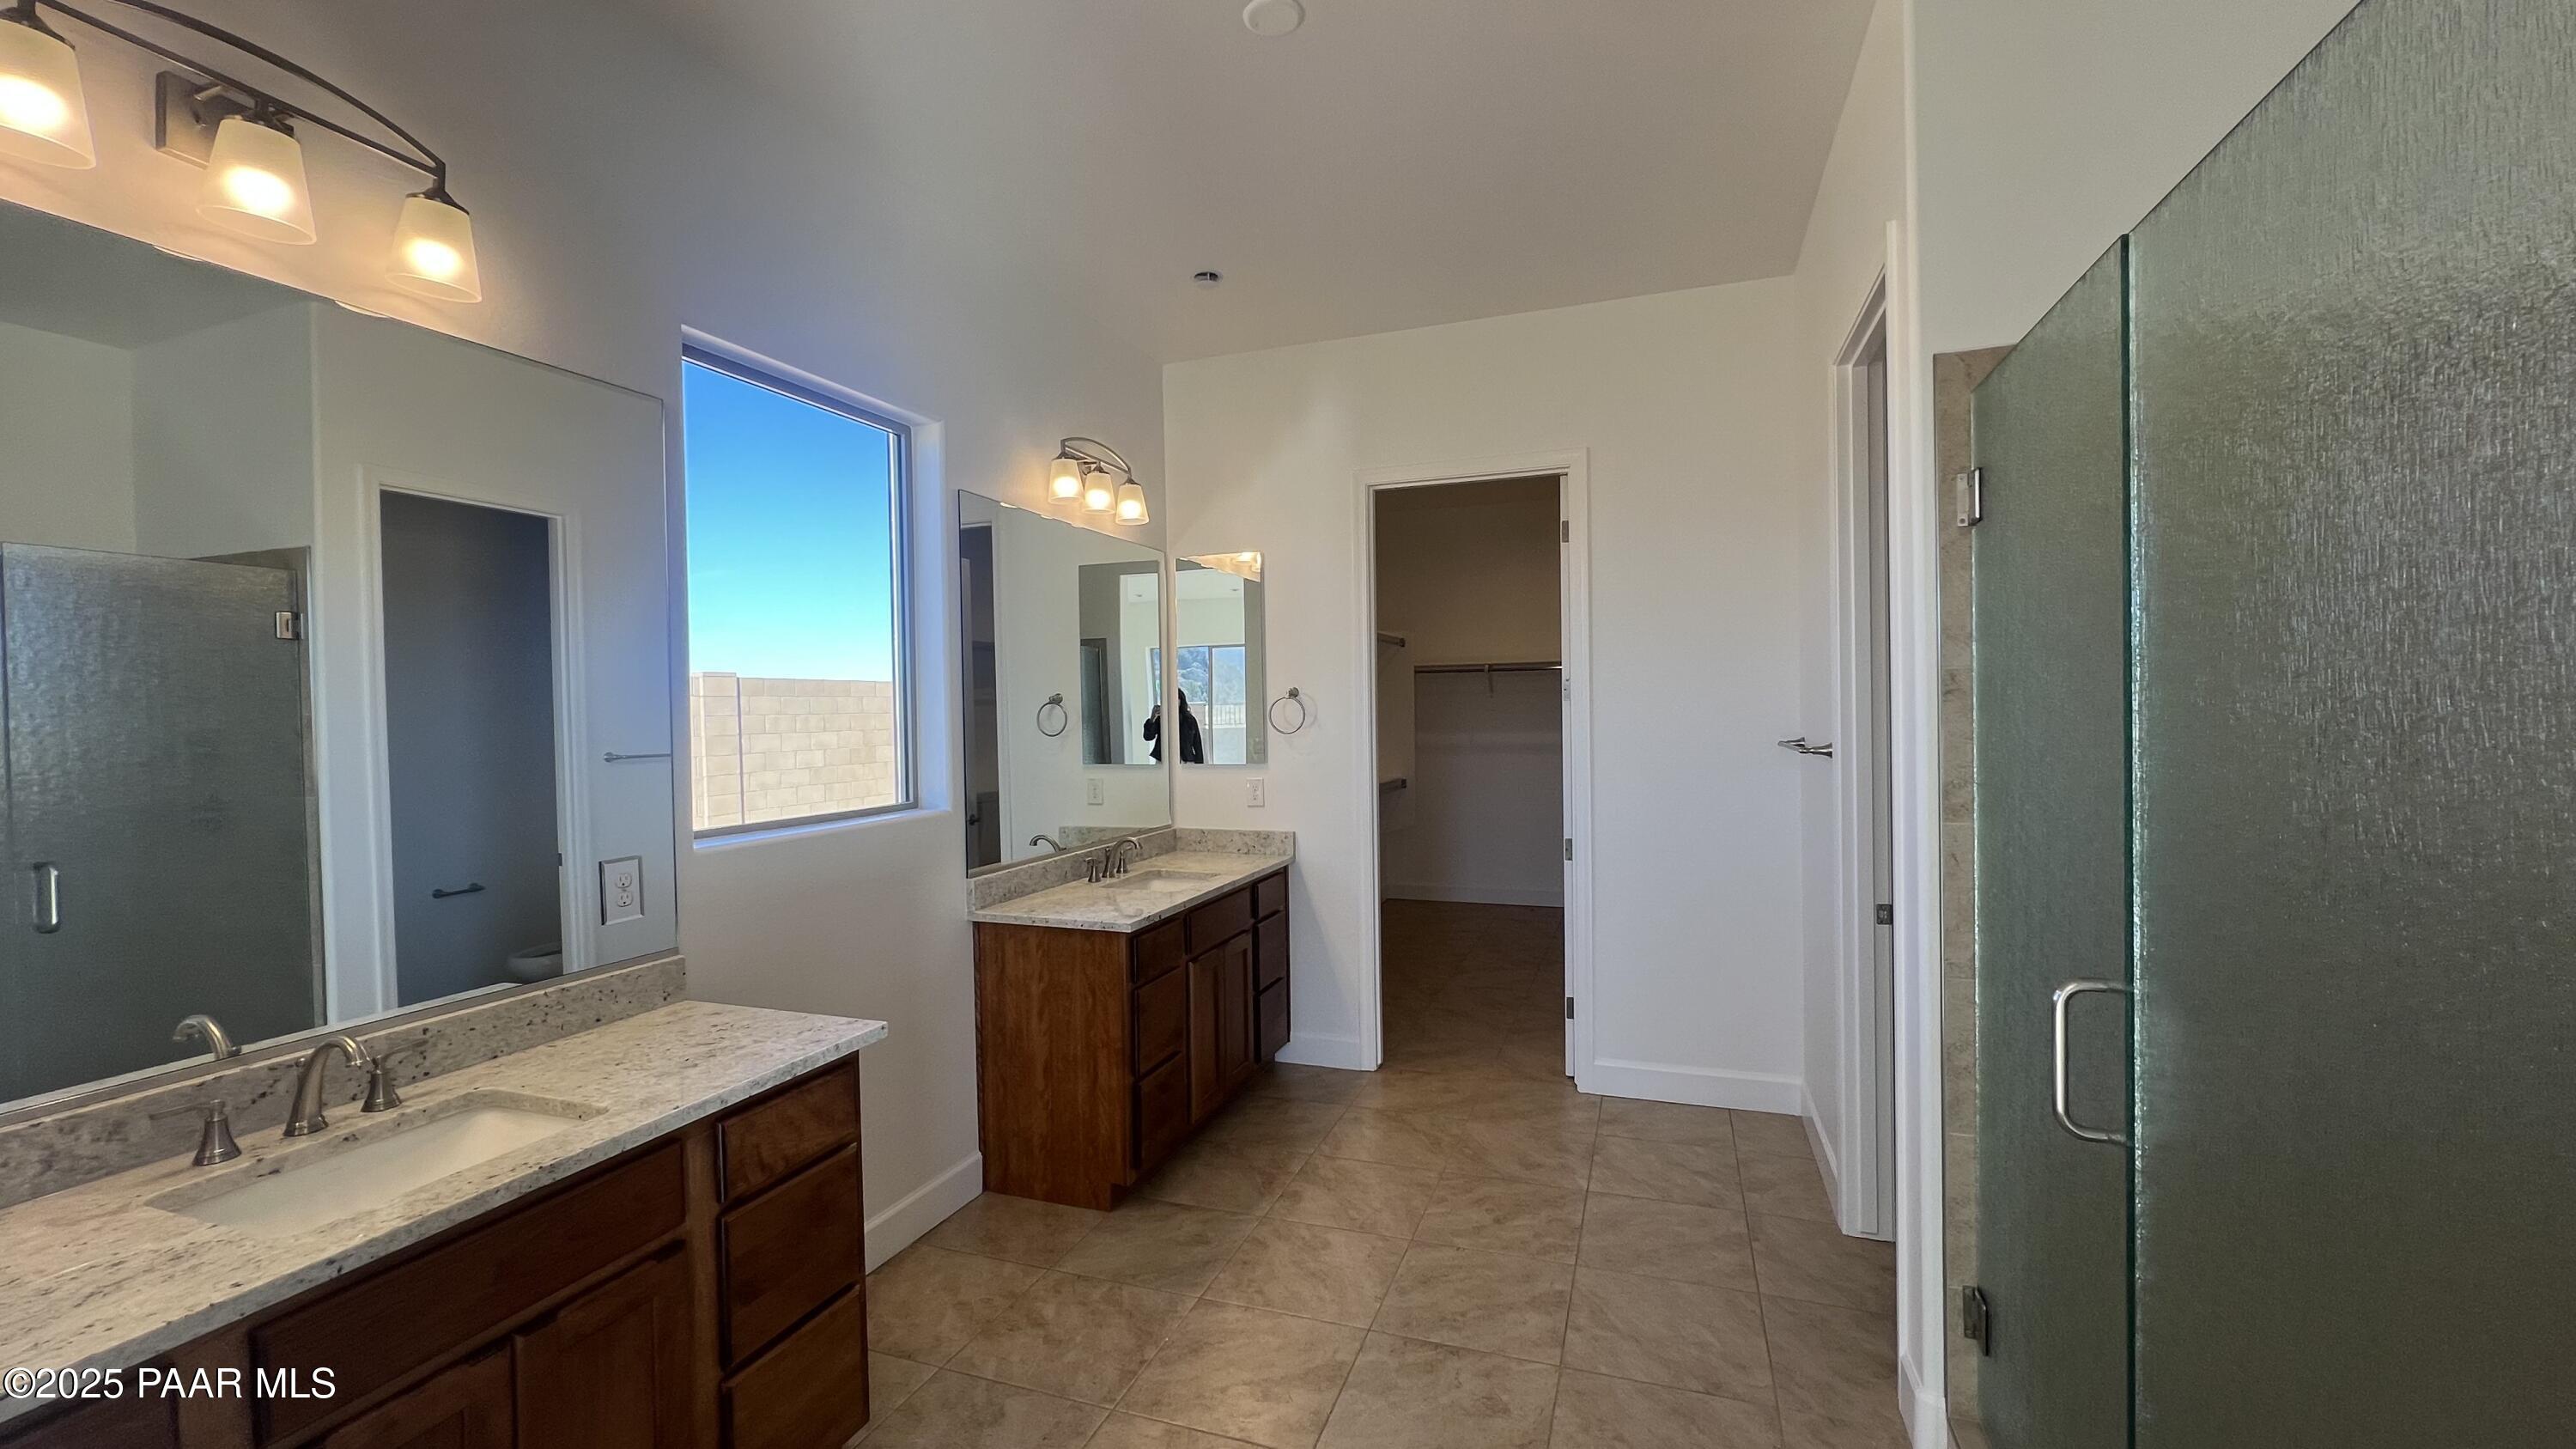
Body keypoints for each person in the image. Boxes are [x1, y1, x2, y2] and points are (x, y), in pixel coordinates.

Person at [1145, 690, 1205, 764]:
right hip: (1163, 761)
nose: (1173, 702)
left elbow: (1197, 743)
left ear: (1180, 700)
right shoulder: (1161, 718)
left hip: (1186, 760)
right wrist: (1152, 718)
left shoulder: (1189, 719)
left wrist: (1199, 766)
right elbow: (1148, 737)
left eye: (1176, 699)